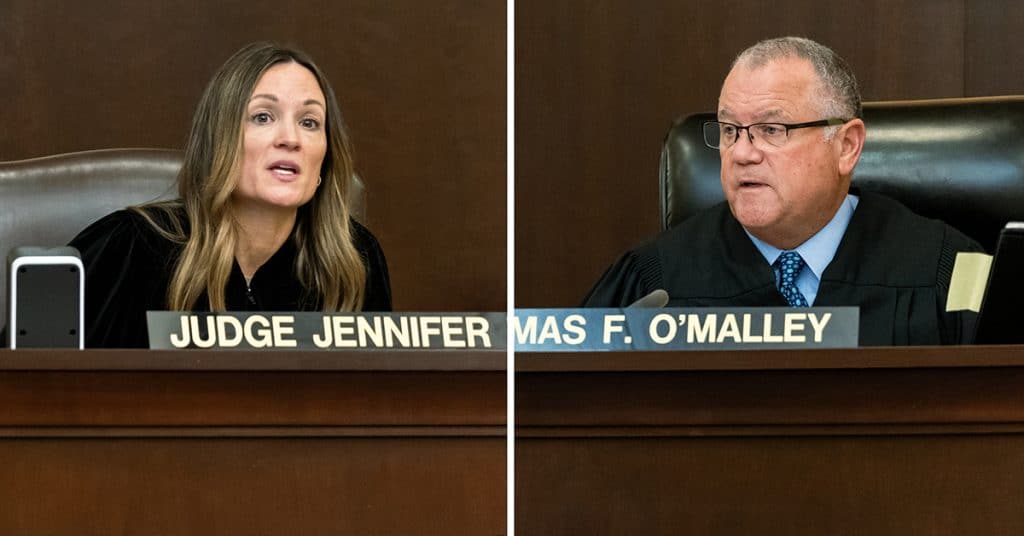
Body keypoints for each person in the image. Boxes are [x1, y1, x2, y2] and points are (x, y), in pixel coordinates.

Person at [583, 36, 983, 345]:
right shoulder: (653, 282)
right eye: (729, 131)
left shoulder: (949, 270)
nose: (741, 153)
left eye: (771, 130)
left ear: (846, 147)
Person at [70, 42, 392, 348]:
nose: (291, 139)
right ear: (219, 141)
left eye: (309, 122)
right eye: (263, 117)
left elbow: (377, 401)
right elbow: (40, 381)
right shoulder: (130, 245)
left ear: (325, 157)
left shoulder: (355, 258)